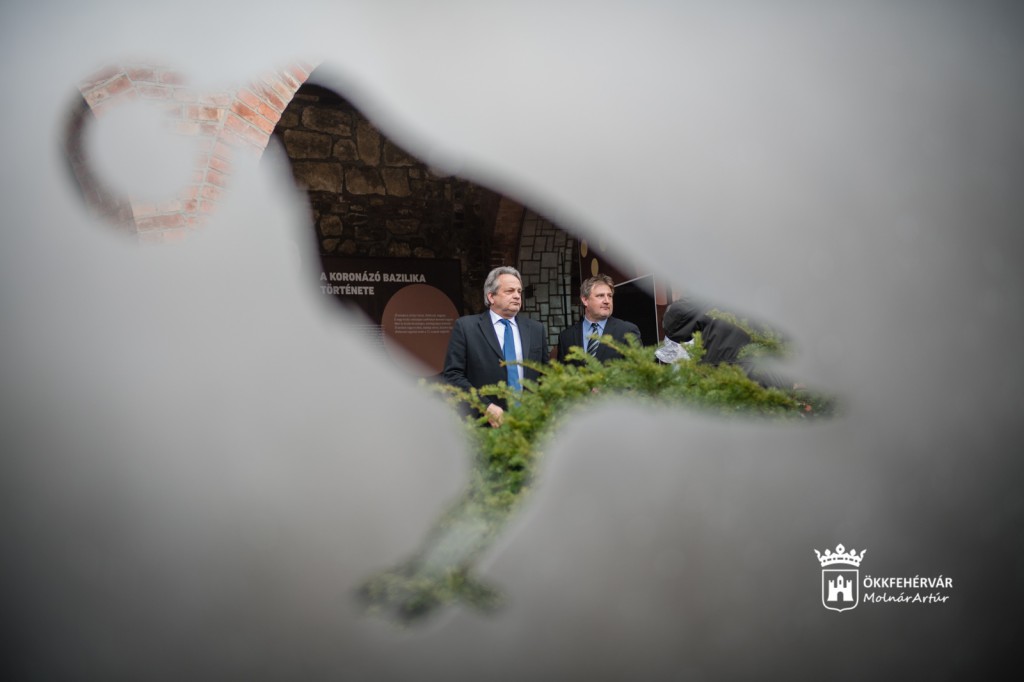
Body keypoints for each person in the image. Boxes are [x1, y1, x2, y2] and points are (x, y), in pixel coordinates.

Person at [442, 266, 548, 428]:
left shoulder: (535, 329)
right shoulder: (466, 328)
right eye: (510, 291)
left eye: (519, 291)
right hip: (485, 424)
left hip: (528, 424)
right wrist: (485, 406)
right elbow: (453, 375)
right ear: (491, 296)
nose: (517, 296)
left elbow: (545, 375)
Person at [555, 274, 643, 363]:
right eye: (600, 296)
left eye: (609, 296)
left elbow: (638, 369)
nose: (607, 301)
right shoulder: (566, 337)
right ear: (585, 300)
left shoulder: (627, 331)